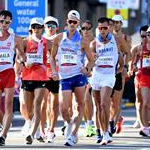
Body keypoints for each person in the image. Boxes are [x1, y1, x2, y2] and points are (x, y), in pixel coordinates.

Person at [50, 10, 94, 146]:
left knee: (80, 106)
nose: (72, 24)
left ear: (78, 24)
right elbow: (52, 57)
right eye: (70, 21)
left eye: (75, 22)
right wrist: (54, 71)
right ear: (67, 22)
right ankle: (69, 123)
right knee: (63, 109)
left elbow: (91, 60)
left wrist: (86, 69)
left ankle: (73, 134)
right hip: (64, 77)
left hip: (78, 76)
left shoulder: (83, 41)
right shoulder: (59, 38)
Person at [90, 17, 124, 145]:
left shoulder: (117, 40)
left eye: (105, 28)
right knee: (98, 106)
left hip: (109, 76)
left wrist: (117, 72)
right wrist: (90, 63)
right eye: (100, 28)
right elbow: (90, 61)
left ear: (109, 28)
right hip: (96, 75)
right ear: (98, 29)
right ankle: (104, 133)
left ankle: (106, 133)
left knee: (105, 104)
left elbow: (122, 61)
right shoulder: (93, 44)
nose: (103, 30)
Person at [21, 17, 49, 144]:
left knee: (38, 104)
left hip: (42, 76)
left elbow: (54, 56)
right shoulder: (25, 41)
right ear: (30, 29)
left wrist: (53, 68)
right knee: (29, 109)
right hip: (27, 76)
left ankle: (31, 135)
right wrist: (24, 62)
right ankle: (35, 129)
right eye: (34, 27)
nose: (36, 29)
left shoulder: (47, 42)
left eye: (39, 27)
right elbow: (19, 57)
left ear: (42, 28)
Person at [0, 10, 25, 146]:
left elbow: (21, 54)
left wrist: (21, 62)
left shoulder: (15, 38)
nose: (4, 24)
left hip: (8, 72)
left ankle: (3, 135)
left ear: (11, 22)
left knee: (8, 105)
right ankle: (3, 124)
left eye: (7, 22)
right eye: (2, 21)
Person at [109, 14, 131, 135]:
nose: (116, 24)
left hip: (120, 71)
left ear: (121, 24)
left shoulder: (126, 37)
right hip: (108, 71)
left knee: (116, 100)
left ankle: (113, 121)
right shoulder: (107, 36)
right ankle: (116, 119)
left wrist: (126, 67)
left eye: (118, 22)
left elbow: (129, 53)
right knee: (109, 99)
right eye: (114, 22)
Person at [40, 16, 60, 143]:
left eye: (52, 25)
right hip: (43, 73)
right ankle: (42, 130)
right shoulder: (39, 39)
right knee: (43, 103)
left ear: (56, 27)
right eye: (48, 25)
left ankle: (51, 130)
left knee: (54, 104)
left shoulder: (60, 39)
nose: (50, 27)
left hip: (57, 73)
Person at [131, 26, 150, 137]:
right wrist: (133, 67)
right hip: (143, 76)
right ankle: (144, 126)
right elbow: (133, 62)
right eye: (147, 34)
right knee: (144, 102)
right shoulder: (139, 48)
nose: (147, 37)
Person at [80, 20, 96, 137]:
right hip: (80, 73)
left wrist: (90, 68)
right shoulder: (77, 41)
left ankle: (95, 124)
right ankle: (88, 125)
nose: (86, 30)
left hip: (96, 74)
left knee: (95, 100)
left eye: (88, 28)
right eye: (84, 28)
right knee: (84, 101)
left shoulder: (96, 42)